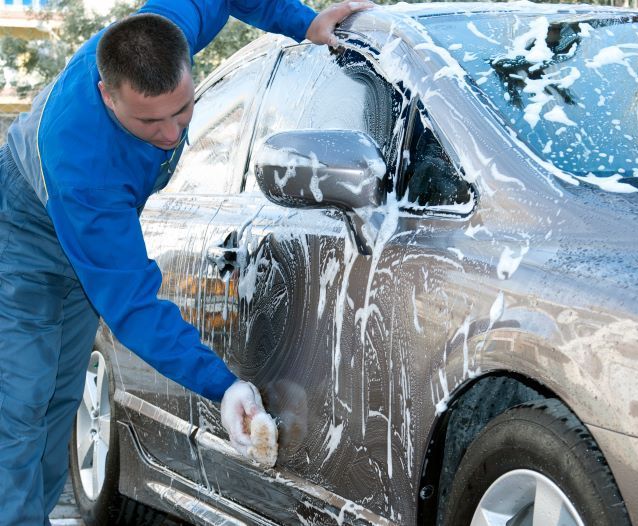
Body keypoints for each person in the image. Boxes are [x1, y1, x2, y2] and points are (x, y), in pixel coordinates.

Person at [0, 0, 373, 523]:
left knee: (58, 399)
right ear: (108, 97)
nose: (173, 134)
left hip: (87, 227)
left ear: (187, 65)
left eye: (183, 110)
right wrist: (222, 385)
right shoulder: (84, 170)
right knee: (18, 408)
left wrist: (304, 22)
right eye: (150, 121)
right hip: (25, 236)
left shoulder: (166, 28)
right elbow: (133, 308)